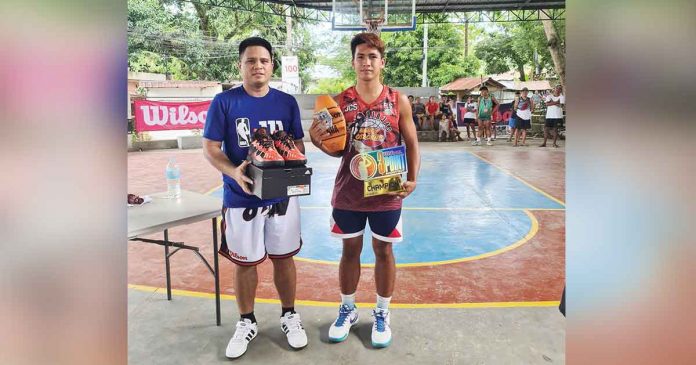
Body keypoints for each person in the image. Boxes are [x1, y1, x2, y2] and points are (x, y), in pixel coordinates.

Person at [308, 32, 420, 348]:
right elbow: (333, 148)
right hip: (348, 193)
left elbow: (411, 142)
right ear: (353, 61)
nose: (367, 62)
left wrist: (413, 178)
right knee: (350, 251)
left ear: (382, 62)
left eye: (372, 56)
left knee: (384, 251)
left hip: (387, 190)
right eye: (361, 56)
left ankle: (382, 313)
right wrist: (318, 140)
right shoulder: (339, 103)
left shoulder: (398, 100)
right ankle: (347, 309)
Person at [202, 36, 308, 359]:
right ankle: (246, 321)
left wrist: (289, 159)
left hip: (282, 198)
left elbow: (300, 147)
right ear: (240, 66)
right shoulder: (224, 102)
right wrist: (235, 172)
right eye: (250, 61)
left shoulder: (287, 103)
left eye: (263, 60)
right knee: (244, 262)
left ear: (272, 65)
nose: (257, 66)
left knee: (284, 257)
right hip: (241, 196)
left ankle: (289, 314)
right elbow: (210, 149)